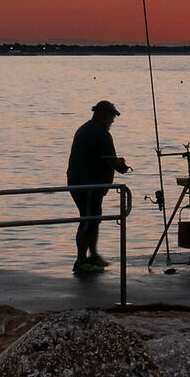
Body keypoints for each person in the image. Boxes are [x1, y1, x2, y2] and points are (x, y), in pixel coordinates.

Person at [66, 99, 131, 274]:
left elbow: (101, 157)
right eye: (111, 116)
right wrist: (121, 166)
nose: (113, 121)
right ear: (102, 114)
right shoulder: (100, 132)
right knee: (87, 221)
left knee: (93, 220)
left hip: (87, 184)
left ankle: (93, 255)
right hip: (87, 186)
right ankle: (80, 261)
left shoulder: (87, 128)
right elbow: (109, 159)